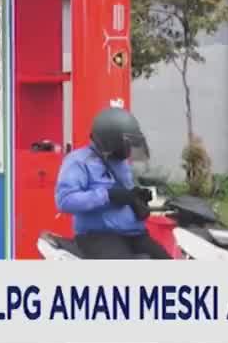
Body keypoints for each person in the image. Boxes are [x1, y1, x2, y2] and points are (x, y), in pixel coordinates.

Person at [54, 106, 169, 260]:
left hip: (134, 234)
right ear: (110, 141)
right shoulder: (78, 161)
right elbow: (65, 201)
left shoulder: (121, 162)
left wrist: (135, 196)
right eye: (125, 145)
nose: (128, 151)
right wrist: (107, 196)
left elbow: (124, 194)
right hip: (98, 236)